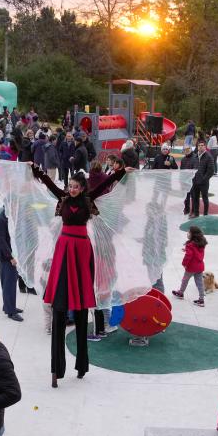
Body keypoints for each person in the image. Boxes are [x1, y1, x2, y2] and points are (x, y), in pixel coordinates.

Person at [33, 166, 128, 387]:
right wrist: (36, 170)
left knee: (82, 305)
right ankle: (58, 369)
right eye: (70, 186)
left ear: (82, 188)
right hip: (64, 247)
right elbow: (48, 184)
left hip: (82, 249)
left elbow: (106, 185)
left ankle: (82, 365)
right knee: (60, 298)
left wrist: (122, 171)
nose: (72, 189)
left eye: (76, 186)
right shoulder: (64, 198)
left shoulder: (87, 200)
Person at [0, 209, 23, 322]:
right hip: (7, 255)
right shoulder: (0, 219)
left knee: (11, 281)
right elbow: (1, 240)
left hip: (13, 252)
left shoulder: (11, 216)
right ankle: (10, 311)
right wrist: (10, 257)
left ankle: (8, 305)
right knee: (8, 283)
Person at [171, 225, 207, 307]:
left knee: (185, 280)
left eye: (189, 232)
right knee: (199, 283)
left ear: (192, 234)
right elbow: (196, 252)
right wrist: (186, 250)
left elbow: (189, 255)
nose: (187, 233)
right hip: (200, 267)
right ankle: (201, 299)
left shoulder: (190, 245)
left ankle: (180, 293)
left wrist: (184, 263)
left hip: (191, 267)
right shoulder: (201, 243)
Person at [190, 141, 214, 217]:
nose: (200, 146)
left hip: (204, 182)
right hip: (195, 181)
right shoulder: (195, 156)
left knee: (205, 198)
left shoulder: (209, 156)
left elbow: (211, 171)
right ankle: (196, 213)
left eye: (202, 145)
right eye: (199, 145)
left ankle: (205, 214)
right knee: (195, 198)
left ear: (205, 146)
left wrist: (204, 179)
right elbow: (192, 168)